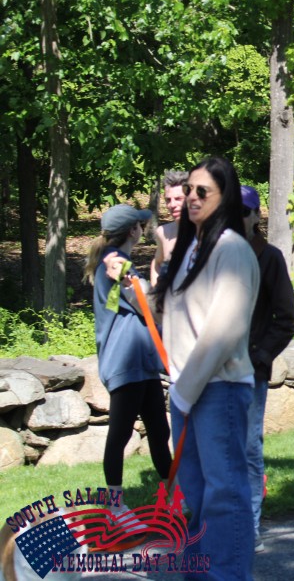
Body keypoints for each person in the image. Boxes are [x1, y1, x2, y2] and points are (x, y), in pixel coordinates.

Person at [108, 157, 259, 579]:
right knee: (196, 492)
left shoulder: (231, 249)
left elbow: (224, 331)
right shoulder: (192, 249)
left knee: (223, 494)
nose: (191, 198)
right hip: (188, 390)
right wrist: (130, 283)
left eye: (201, 191)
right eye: (188, 190)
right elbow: (165, 310)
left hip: (219, 388)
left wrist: (185, 391)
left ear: (224, 197)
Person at [84, 204, 172, 519]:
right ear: (133, 230)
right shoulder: (114, 262)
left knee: (159, 431)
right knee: (120, 434)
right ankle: (115, 506)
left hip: (141, 362)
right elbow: (145, 298)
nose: (143, 229)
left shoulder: (118, 261)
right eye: (140, 225)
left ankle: (174, 497)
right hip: (124, 362)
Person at [241, 185, 294, 553]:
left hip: (250, 372)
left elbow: (287, 318)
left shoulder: (270, 257)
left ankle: (249, 526)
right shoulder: (210, 254)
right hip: (213, 372)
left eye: (243, 211)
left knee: (248, 449)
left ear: (256, 216)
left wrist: (260, 356)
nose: (236, 218)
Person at [151, 170, 188, 288]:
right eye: (168, 200)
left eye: (178, 199)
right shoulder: (163, 232)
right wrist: (156, 292)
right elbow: (157, 263)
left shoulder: (207, 232)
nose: (172, 205)